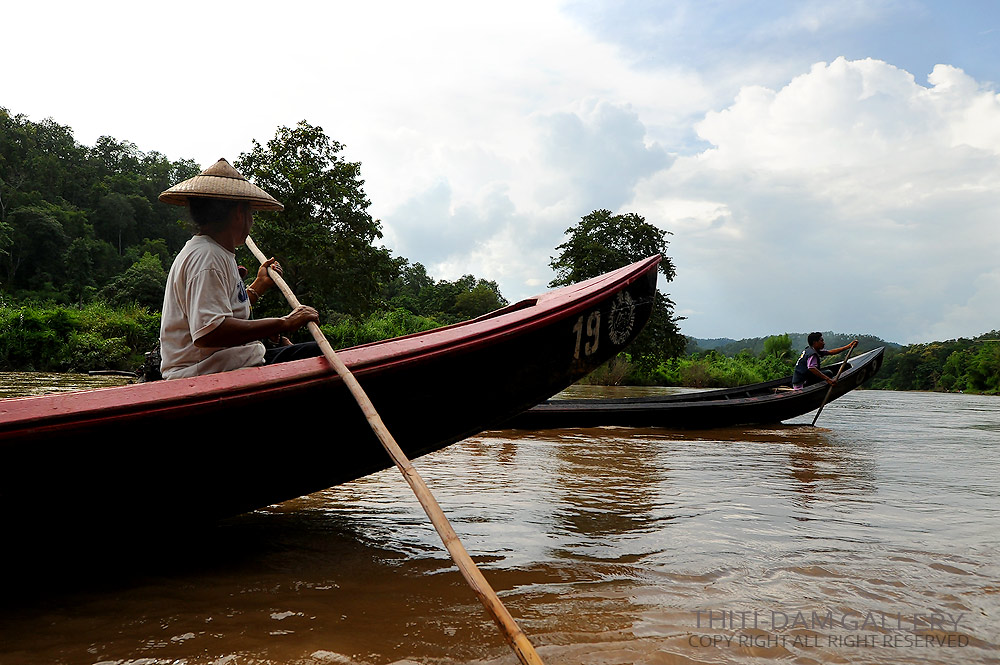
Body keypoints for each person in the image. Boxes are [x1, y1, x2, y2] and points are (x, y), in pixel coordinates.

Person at [157, 158, 322, 379]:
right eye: (250, 213)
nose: (251, 221)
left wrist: (258, 286)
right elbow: (210, 332)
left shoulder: (216, 252)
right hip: (206, 373)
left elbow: (225, 309)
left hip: (230, 364)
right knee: (319, 354)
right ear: (238, 213)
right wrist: (284, 322)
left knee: (310, 352)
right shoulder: (207, 257)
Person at [791, 333, 858, 389]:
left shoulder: (812, 350)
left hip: (801, 380)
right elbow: (811, 368)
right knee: (828, 373)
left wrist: (848, 346)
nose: (824, 343)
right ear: (815, 342)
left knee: (828, 372)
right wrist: (828, 379)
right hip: (802, 384)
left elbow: (831, 352)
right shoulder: (812, 354)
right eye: (821, 341)